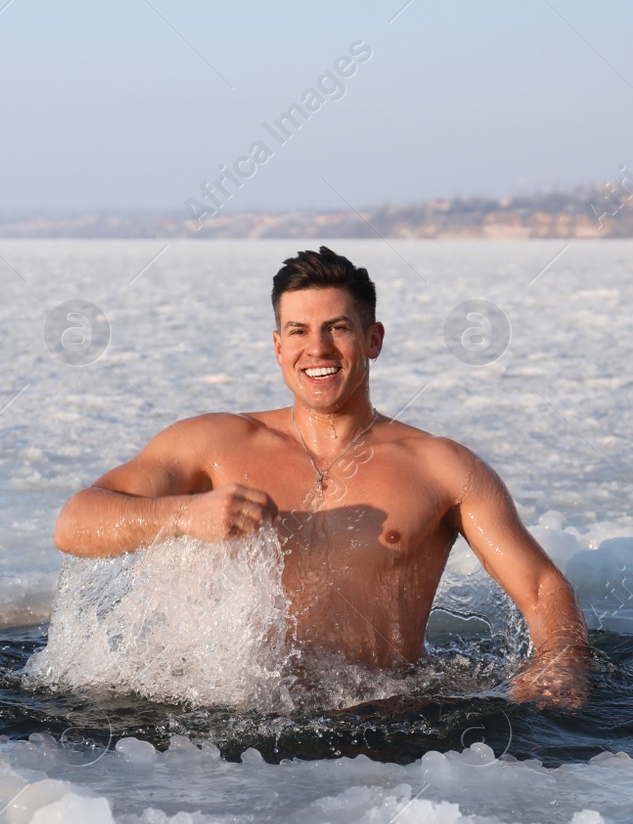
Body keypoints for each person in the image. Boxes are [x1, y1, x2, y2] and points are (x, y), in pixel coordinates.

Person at [53, 247, 590, 706]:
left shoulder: (442, 467)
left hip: (382, 722)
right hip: (230, 717)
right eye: (299, 331)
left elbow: (541, 587)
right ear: (278, 346)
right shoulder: (211, 443)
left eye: (338, 328)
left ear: (373, 339)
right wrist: (184, 514)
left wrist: (561, 662)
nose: (318, 349)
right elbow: (75, 525)